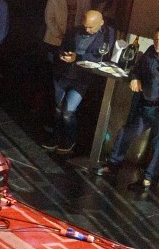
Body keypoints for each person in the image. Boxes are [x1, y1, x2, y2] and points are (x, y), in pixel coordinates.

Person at [98, 26, 159, 191]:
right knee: (126, 133)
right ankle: (113, 165)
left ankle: (149, 178)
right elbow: (136, 69)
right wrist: (135, 78)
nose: (158, 43)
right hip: (147, 106)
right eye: (156, 39)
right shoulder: (150, 52)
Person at [49, 9, 116, 154]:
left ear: (101, 23)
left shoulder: (107, 34)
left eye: (91, 27)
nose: (87, 30)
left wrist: (78, 57)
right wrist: (63, 54)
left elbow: (101, 57)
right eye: (85, 26)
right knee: (58, 108)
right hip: (64, 74)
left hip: (82, 78)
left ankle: (70, 139)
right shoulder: (75, 31)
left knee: (68, 112)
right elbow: (63, 47)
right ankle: (56, 136)